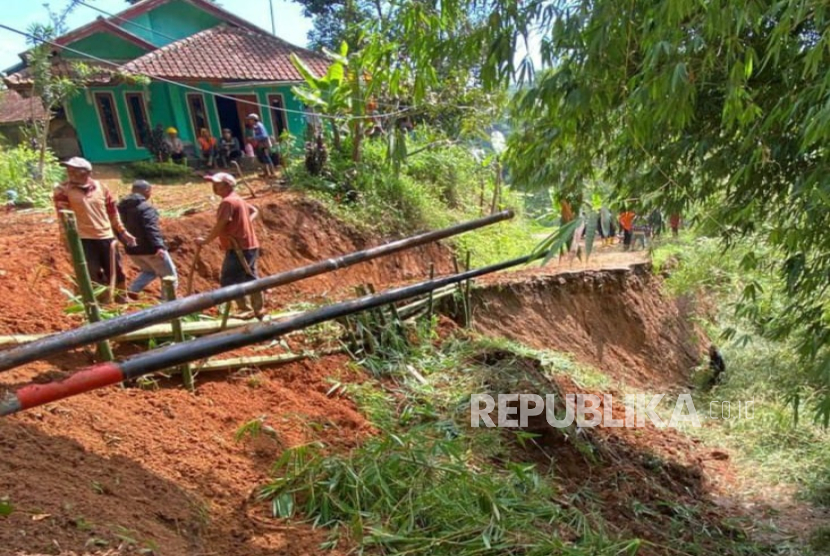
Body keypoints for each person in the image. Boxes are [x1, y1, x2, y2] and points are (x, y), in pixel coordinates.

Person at [53, 157, 136, 303]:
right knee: (92, 272)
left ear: (86, 172)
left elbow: (112, 212)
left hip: (105, 235)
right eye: (69, 169)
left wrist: (122, 231)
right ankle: (101, 302)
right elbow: (63, 216)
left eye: (74, 170)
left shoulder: (101, 187)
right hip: (83, 238)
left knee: (116, 270)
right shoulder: (63, 190)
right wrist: (66, 239)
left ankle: (121, 298)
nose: (70, 172)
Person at [196, 173, 264, 318]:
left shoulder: (227, 202)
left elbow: (221, 224)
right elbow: (254, 211)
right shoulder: (237, 199)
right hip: (248, 245)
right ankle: (257, 309)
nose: (214, 187)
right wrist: (243, 224)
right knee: (250, 276)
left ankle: (245, 309)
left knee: (230, 280)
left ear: (228, 185)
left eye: (217, 184)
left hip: (238, 248)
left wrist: (206, 240)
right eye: (213, 184)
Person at [117, 180, 178, 298]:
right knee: (170, 277)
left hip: (132, 250)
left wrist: (125, 243)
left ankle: (132, 290)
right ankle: (167, 306)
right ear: (146, 191)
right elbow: (151, 228)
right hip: (150, 249)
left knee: (149, 271)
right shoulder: (145, 208)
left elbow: (117, 227)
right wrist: (159, 246)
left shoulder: (120, 208)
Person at [245, 114, 275, 178]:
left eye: (250, 119)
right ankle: (266, 173)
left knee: (266, 158)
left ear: (253, 119)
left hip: (264, 144)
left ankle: (272, 173)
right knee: (262, 158)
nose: (249, 121)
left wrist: (253, 138)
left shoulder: (259, 125)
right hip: (261, 144)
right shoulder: (256, 126)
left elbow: (264, 135)